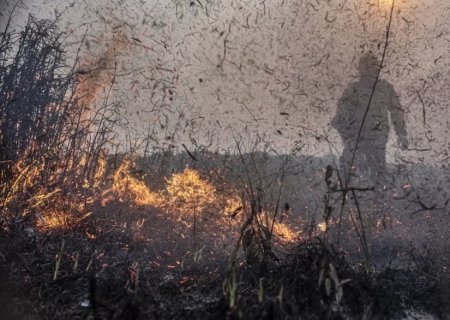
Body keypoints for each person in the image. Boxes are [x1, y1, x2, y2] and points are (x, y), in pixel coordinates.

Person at [331, 52, 408, 187]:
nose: (370, 72)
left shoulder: (386, 88)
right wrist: (347, 137)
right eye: (366, 67)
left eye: (372, 68)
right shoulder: (353, 89)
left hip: (375, 142)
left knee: (378, 179)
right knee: (346, 180)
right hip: (355, 141)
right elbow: (339, 117)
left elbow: (397, 111)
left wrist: (401, 133)